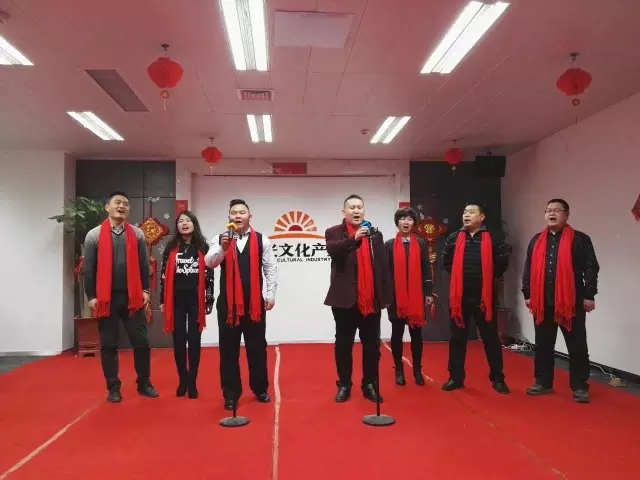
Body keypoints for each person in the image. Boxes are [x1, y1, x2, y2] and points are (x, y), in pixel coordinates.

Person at [83, 191, 159, 403]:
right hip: (105, 299)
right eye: (117, 202)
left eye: (126, 203)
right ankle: (113, 387)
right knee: (109, 345)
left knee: (142, 342)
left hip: (132, 297)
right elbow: (88, 269)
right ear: (107, 207)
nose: (122, 206)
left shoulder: (137, 234)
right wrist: (91, 296)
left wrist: (145, 290)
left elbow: (144, 265)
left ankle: (144, 383)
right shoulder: (93, 235)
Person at [522, 199, 599, 403]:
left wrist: (589, 295)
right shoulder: (536, 240)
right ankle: (543, 382)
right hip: (543, 302)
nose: (552, 214)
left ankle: (580, 386)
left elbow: (591, 268)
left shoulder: (580, 239)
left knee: (577, 346)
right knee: (543, 344)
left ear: (566, 215)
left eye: (557, 210)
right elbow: (528, 268)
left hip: (571, 303)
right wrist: (527, 293)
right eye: (548, 210)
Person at [205, 199, 278, 411]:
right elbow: (210, 262)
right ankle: (231, 394)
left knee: (257, 348)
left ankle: (260, 389)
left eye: (242, 212)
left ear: (249, 216)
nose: (238, 216)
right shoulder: (219, 239)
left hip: (254, 305)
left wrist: (270, 294)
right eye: (234, 213)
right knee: (228, 351)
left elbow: (270, 268)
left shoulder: (262, 240)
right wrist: (223, 248)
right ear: (229, 217)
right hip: (228, 306)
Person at [324, 194, 392, 403]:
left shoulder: (375, 234)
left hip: (371, 299)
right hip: (345, 301)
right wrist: (354, 239)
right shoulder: (334, 232)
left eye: (360, 207)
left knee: (372, 346)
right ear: (344, 212)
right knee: (343, 345)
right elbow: (333, 251)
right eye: (352, 207)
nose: (356, 211)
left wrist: (385, 296)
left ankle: (369, 384)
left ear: (364, 211)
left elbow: (383, 267)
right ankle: (344, 384)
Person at [441, 202, 510, 394]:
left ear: (482, 217)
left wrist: (486, 277)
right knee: (457, 339)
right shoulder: (454, 238)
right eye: (465, 212)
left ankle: (497, 378)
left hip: (484, 297)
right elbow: (446, 261)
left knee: (490, 339)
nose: (467, 215)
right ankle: (455, 378)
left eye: (471, 212)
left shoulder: (494, 238)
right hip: (460, 297)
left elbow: (502, 263)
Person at [160, 211, 214, 399]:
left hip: (195, 300)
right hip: (175, 300)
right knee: (178, 340)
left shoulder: (203, 247)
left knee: (194, 341)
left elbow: (210, 275)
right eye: (181, 221)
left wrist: (209, 299)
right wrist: (162, 300)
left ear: (194, 224)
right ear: (177, 226)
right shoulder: (171, 248)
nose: (184, 223)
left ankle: (192, 382)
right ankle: (183, 379)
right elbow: (164, 275)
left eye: (188, 220)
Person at [384, 207, 434, 386]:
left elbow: (426, 269)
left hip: (416, 296)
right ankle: (398, 369)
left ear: (414, 223)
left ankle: (417, 370)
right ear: (397, 222)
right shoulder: (389, 245)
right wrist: (386, 295)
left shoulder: (420, 244)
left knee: (416, 334)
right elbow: (385, 273)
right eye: (402, 219)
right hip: (396, 297)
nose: (406, 222)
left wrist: (429, 293)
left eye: (410, 219)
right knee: (397, 334)